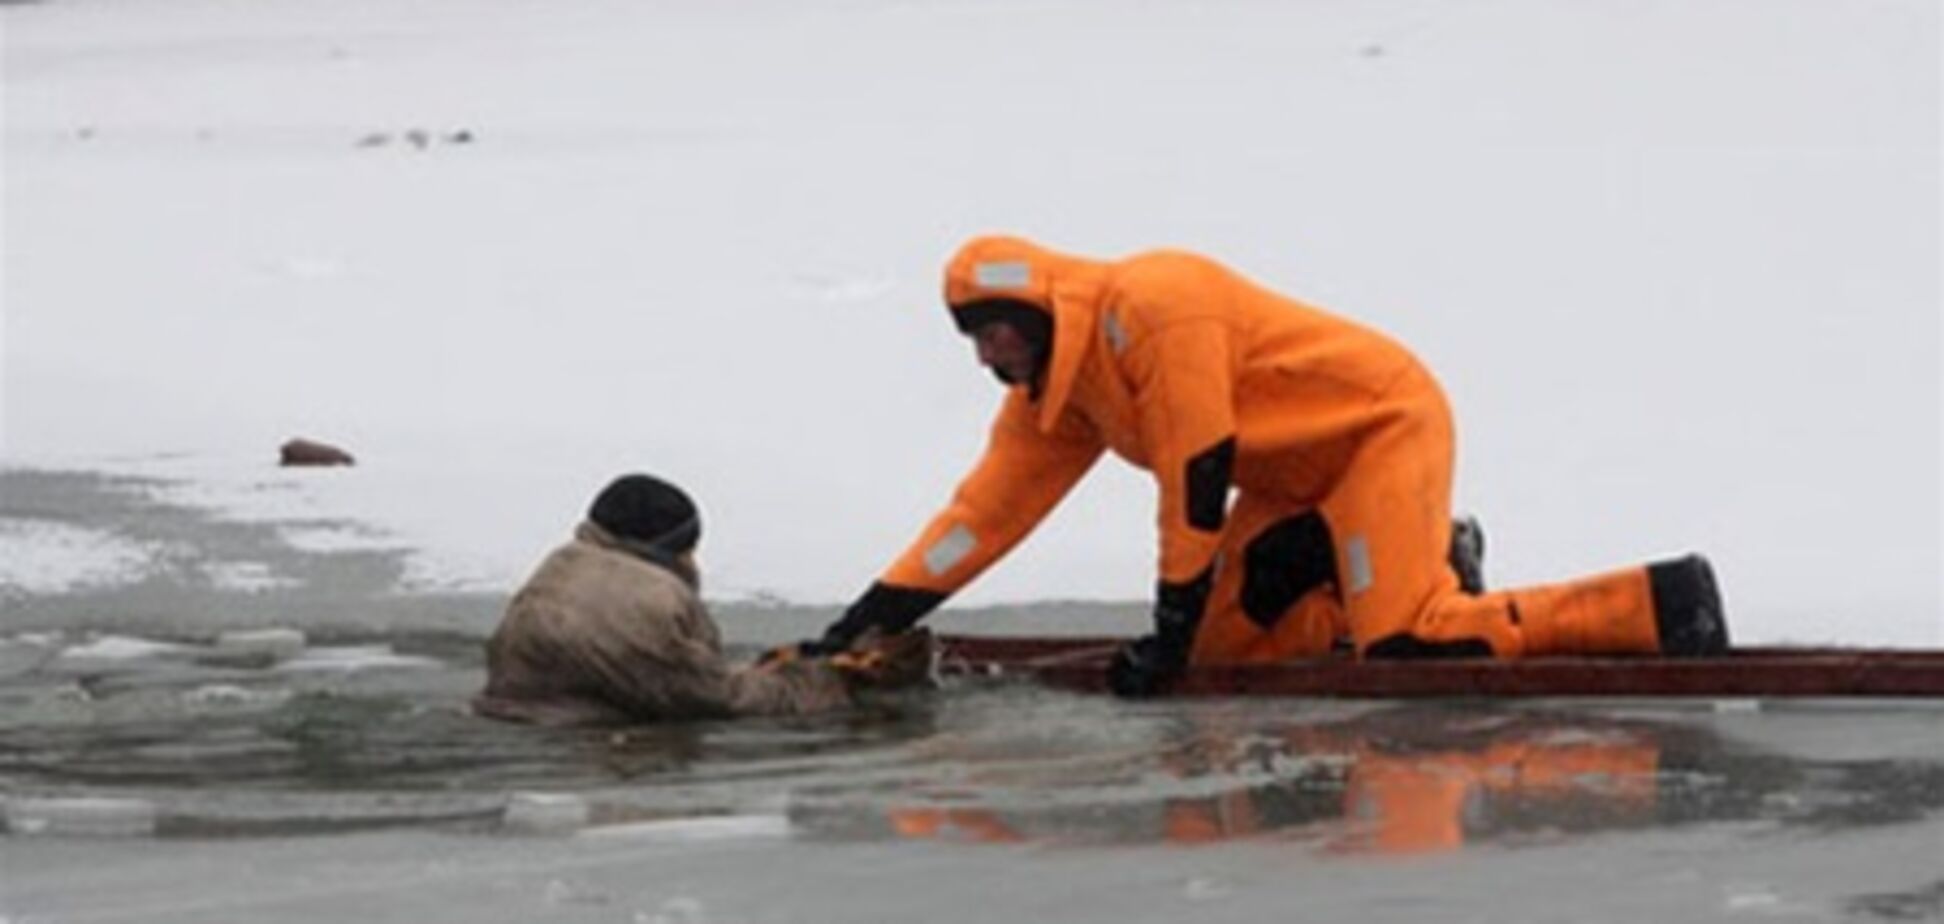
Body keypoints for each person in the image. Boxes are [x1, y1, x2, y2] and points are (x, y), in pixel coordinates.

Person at [792, 235, 1728, 696]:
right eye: (974, 341)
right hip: (1293, 488)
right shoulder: (1062, 394)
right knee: (1218, 655)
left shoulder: (1157, 305)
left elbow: (1197, 476)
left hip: (1378, 433)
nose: (986, 359)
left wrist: (1164, 624)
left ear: (1036, 315)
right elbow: (983, 515)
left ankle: (1661, 601)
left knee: (1409, 647)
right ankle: (1376, 566)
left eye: (994, 334)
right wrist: (864, 619)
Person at [475, 473, 929, 725]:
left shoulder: (559, 567)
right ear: (674, 547)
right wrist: (833, 680)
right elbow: (717, 701)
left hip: (507, 719)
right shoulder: (653, 598)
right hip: (583, 752)